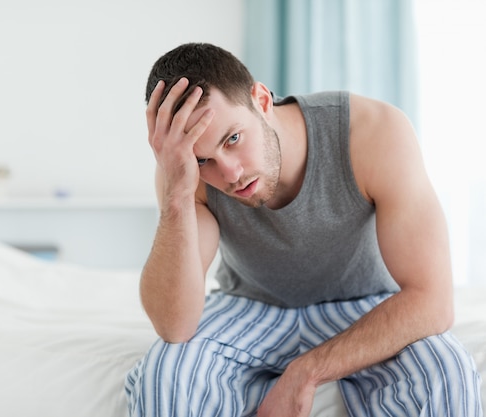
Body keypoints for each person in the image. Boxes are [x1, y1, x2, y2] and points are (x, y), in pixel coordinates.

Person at [125, 42, 483, 417]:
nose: (229, 173)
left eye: (233, 139)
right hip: (250, 306)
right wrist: (177, 193)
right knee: (166, 375)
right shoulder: (185, 175)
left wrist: (306, 372)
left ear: (261, 100)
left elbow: (432, 301)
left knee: (447, 371)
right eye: (204, 160)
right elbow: (175, 326)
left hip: (367, 305)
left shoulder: (373, 132)